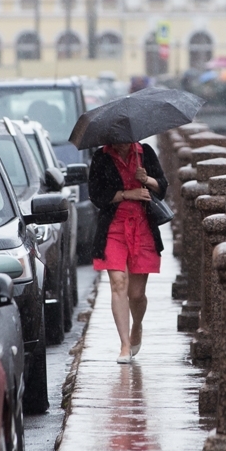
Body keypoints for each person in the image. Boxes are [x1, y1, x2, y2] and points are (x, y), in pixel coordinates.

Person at [87, 140, 167, 363]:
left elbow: (163, 186)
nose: (120, 141)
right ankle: (124, 344)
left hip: (142, 228)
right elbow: (96, 195)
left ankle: (137, 325)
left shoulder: (145, 153)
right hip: (113, 228)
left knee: (137, 294)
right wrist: (126, 194)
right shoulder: (101, 157)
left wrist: (146, 180)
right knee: (118, 283)